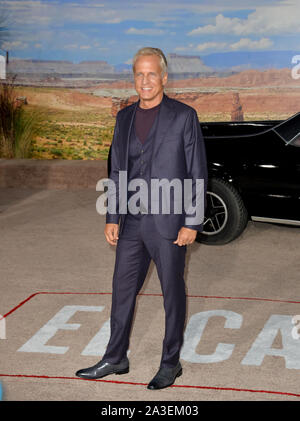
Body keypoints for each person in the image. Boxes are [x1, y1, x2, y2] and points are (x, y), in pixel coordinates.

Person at [76, 47, 208, 390]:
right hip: (132, 222)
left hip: (169, 223)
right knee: (122, 291)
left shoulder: (184, 116)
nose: (145, 80)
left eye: (152, 74)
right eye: (139, 74)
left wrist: (192, 221)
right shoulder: (124, 118)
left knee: (172, 295)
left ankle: (170, 362)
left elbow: (197, 172)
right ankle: (116, 356)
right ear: (133, 78)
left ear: (164, 77)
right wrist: (112, 215)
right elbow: (118, 170)